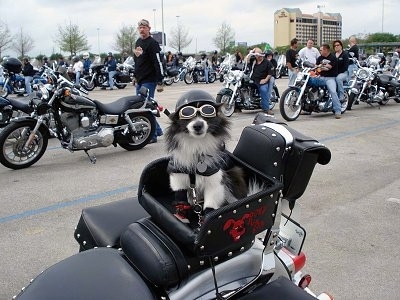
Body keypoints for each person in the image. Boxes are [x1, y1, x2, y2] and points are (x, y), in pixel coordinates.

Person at [133, 19, 164, 143]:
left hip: (149, 80)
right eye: (140, 27)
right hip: (140, 80)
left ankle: (152, 136)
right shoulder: (138, 42)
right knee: (141, 107)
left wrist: (160, 81)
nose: (142, 29)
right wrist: (135, 76)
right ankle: (157, 130)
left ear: (149, 29)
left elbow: (158, 62)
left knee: (146, 107)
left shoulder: (153, 43)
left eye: (144, 27)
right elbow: (137, 61)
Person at [316, 43, 342, 119]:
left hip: (330, 78)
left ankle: (337, 110)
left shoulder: (333, 58)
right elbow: (316, 67)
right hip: (320, 77)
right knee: (308, 85)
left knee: (333, 92)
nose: (320, 51)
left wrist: (320, 67)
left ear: (326, 50)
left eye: (321, 50)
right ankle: (307, 107)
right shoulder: (319, 58)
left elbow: (328, 67)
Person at [249, 47, 275, 115]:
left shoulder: (267, 62)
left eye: (258, 54)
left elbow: (270, 72)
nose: (257, 56)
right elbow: (247, 60)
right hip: (253, 79)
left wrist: (265, 79)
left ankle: (266, 109)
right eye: (256, 55)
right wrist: (252, 51)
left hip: (262, 80)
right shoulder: (254, 60)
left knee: (263, 90)